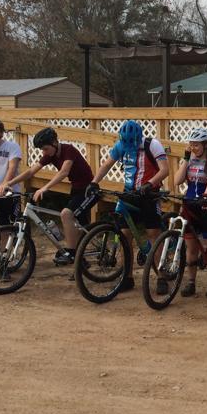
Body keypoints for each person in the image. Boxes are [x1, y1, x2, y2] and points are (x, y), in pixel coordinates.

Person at [87, 120, 169, 293]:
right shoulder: (121, 145)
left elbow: (164, 170)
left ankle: (161, 278)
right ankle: (127, 277)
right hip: (129, 194)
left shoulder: (152, 145)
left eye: (132, 141)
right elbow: (107, 165)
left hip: (149, 195)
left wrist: (150, 183)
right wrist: (94, 182)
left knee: (153, 234)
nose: (129, 144)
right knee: (124, 236)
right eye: (126, 141)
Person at [1, 127, 96, 265]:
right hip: (76, 189)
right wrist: (9, 182)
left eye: (45, 148)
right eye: (42, 150)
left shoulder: (69, 150)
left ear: (55, 143)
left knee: (66, 214)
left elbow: (64, 172)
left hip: (89, 190)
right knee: (77, 225)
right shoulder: (50, 154)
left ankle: (72, 253)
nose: (44, 152)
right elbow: (31, 172)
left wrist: (44, 188)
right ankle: (80, 260)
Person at [173, 127, 207, 299]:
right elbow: (177, 180)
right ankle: (191, 282)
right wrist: (186, 159)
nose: (193, 148)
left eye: (196, 145)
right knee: (191, 247)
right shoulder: (190, 159)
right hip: (190, 205)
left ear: (206, 145)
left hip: (206, 206)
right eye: (191, 144)